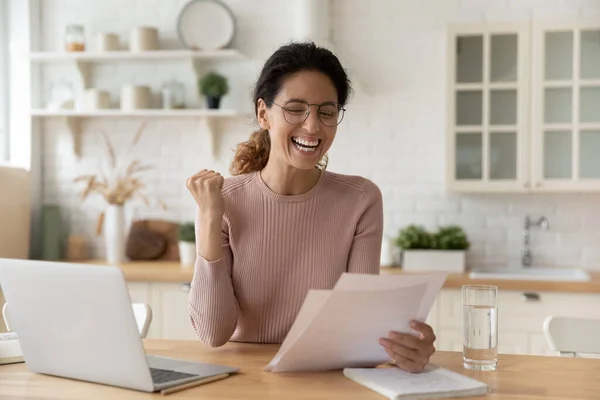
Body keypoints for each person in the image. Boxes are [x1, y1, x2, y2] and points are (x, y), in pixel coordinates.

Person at [185, 41, 436, 373]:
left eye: (327, 111)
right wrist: (208, 219)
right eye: (295, 108)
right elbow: (214, 334)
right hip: (243, 384)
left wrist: (405, 349)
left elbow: (358, 331)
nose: (313, 126)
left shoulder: (360, 199)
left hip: (324, 382)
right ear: (264, 113)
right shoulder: (224, 201)